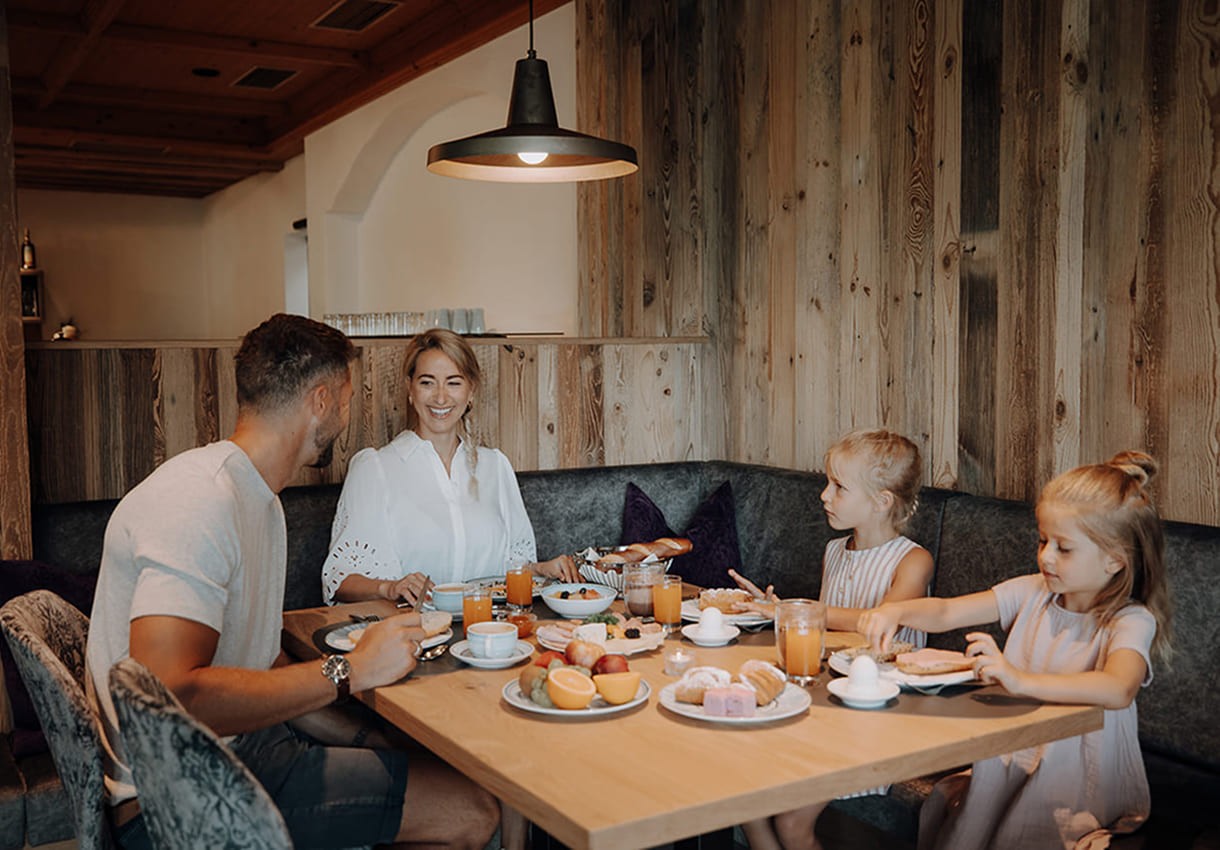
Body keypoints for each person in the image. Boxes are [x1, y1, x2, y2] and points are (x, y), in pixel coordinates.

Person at [86, 314, 499, 850]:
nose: (347, 417)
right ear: (321, 401)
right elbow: (172, 695)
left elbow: (264, 669)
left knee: (450, 780)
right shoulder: (197, 501)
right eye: (346, 402)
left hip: (243, 752)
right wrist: (351, 670)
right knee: (470, 811)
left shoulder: (260, 500)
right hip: (179, 800)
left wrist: (366, 735)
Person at [858, 451, 1173, 850]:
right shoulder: (1034, 592)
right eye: (1043, 540)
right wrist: (897, 611)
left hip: (1078, 780)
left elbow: (1118, 688)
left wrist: (1018, 679)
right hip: (1014, 757)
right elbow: (946, 611)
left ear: (1114, 561)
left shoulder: (1129, 620)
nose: (1045, 556)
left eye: (1064, 548)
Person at [733, 428, 934, 850]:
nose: (825, 495)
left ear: (881, 501)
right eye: (828, 483)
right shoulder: (834, 551)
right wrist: (776, 613)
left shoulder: (914, 561)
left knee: (791, 823)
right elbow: (824, 638)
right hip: (828, 704)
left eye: (839, 487)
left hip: (883, 717)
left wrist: (796, 610)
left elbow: (878, 622)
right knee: (739, 786)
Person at [322, 327, 578, 607]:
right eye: (427, 383)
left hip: (489, 627)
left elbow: (506, 571)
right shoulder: (374, 469)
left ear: (471, 390)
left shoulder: (495, 466)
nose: (441, 398)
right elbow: (338, 580)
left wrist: (540, 569)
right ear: (410, 389)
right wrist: (390, 587)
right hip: (412, 629)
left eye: (454, 383)